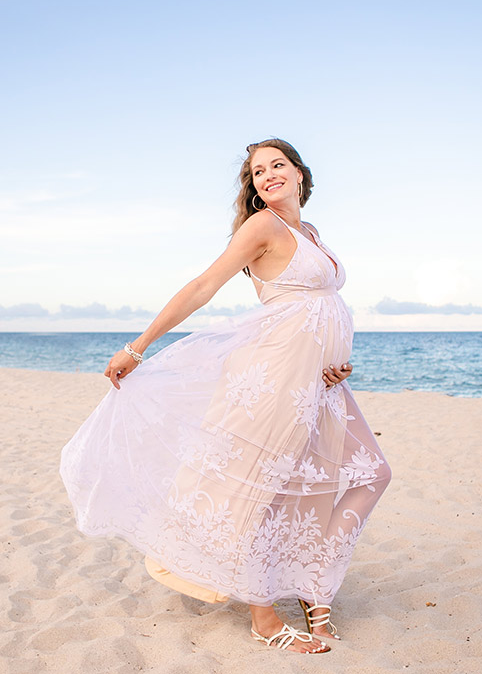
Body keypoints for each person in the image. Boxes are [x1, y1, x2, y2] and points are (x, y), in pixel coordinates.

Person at [59, 139, 391, 654]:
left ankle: (313, 587)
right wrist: (138, 347)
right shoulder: (262, 227)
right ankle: (263, 616)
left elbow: (317, 306)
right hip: (273, 375)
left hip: (319, 381)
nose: (268, 175)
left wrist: (334, 358)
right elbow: (202, 286)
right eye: (258, 172)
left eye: (277, 165)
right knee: (259, 488)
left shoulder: (311, 234)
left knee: (368, 473)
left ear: (300, 174)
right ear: (254, 186)